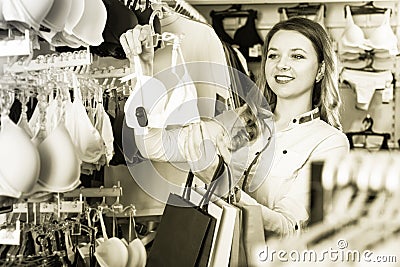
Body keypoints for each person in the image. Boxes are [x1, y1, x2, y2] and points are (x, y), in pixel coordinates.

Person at [119, 17, 349, 238]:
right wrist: (144, 70)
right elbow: (153, 147)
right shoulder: (239, 119)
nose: (282, 65)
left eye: (297, 56)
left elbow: (288, 227)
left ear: (320, 70)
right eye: (273, 55)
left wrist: (219, 181)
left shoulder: (329, 142)